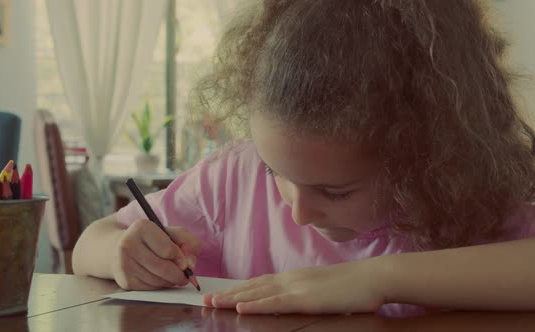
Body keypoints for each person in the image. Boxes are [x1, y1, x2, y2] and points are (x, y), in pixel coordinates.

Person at [72, 0, 535, 315]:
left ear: (428, 158)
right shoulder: (235, 178)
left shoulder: (464, 197)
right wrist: (121, 252)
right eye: (277, 172)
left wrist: (376, 278)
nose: (297, 211)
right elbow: (89, 243)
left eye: (335, 191)